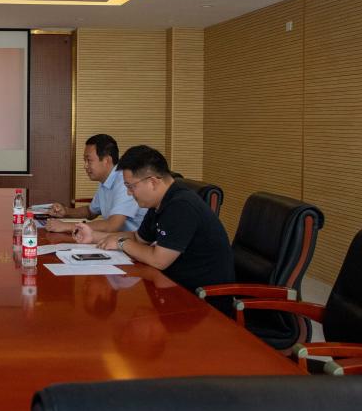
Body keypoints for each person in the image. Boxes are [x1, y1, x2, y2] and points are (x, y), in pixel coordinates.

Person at [74, 145, 234, 314]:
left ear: (152, 182)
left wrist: (121, 243)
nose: (129, 193)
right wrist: (93, 236)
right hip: (172, 288)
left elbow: (159, 260)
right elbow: (139, 238)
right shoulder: (159, 202)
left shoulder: (181, 206)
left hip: (202, 304)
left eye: (131, 186)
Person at [44, 134, 146, 234]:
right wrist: (66, 212)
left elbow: (112, 226)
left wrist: (67, 226)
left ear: (106, 160)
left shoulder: (124, 181)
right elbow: (90, 212)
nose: (85, 166)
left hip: (137, 242)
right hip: (116, 240)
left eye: (89, 160)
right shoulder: (105, 181)